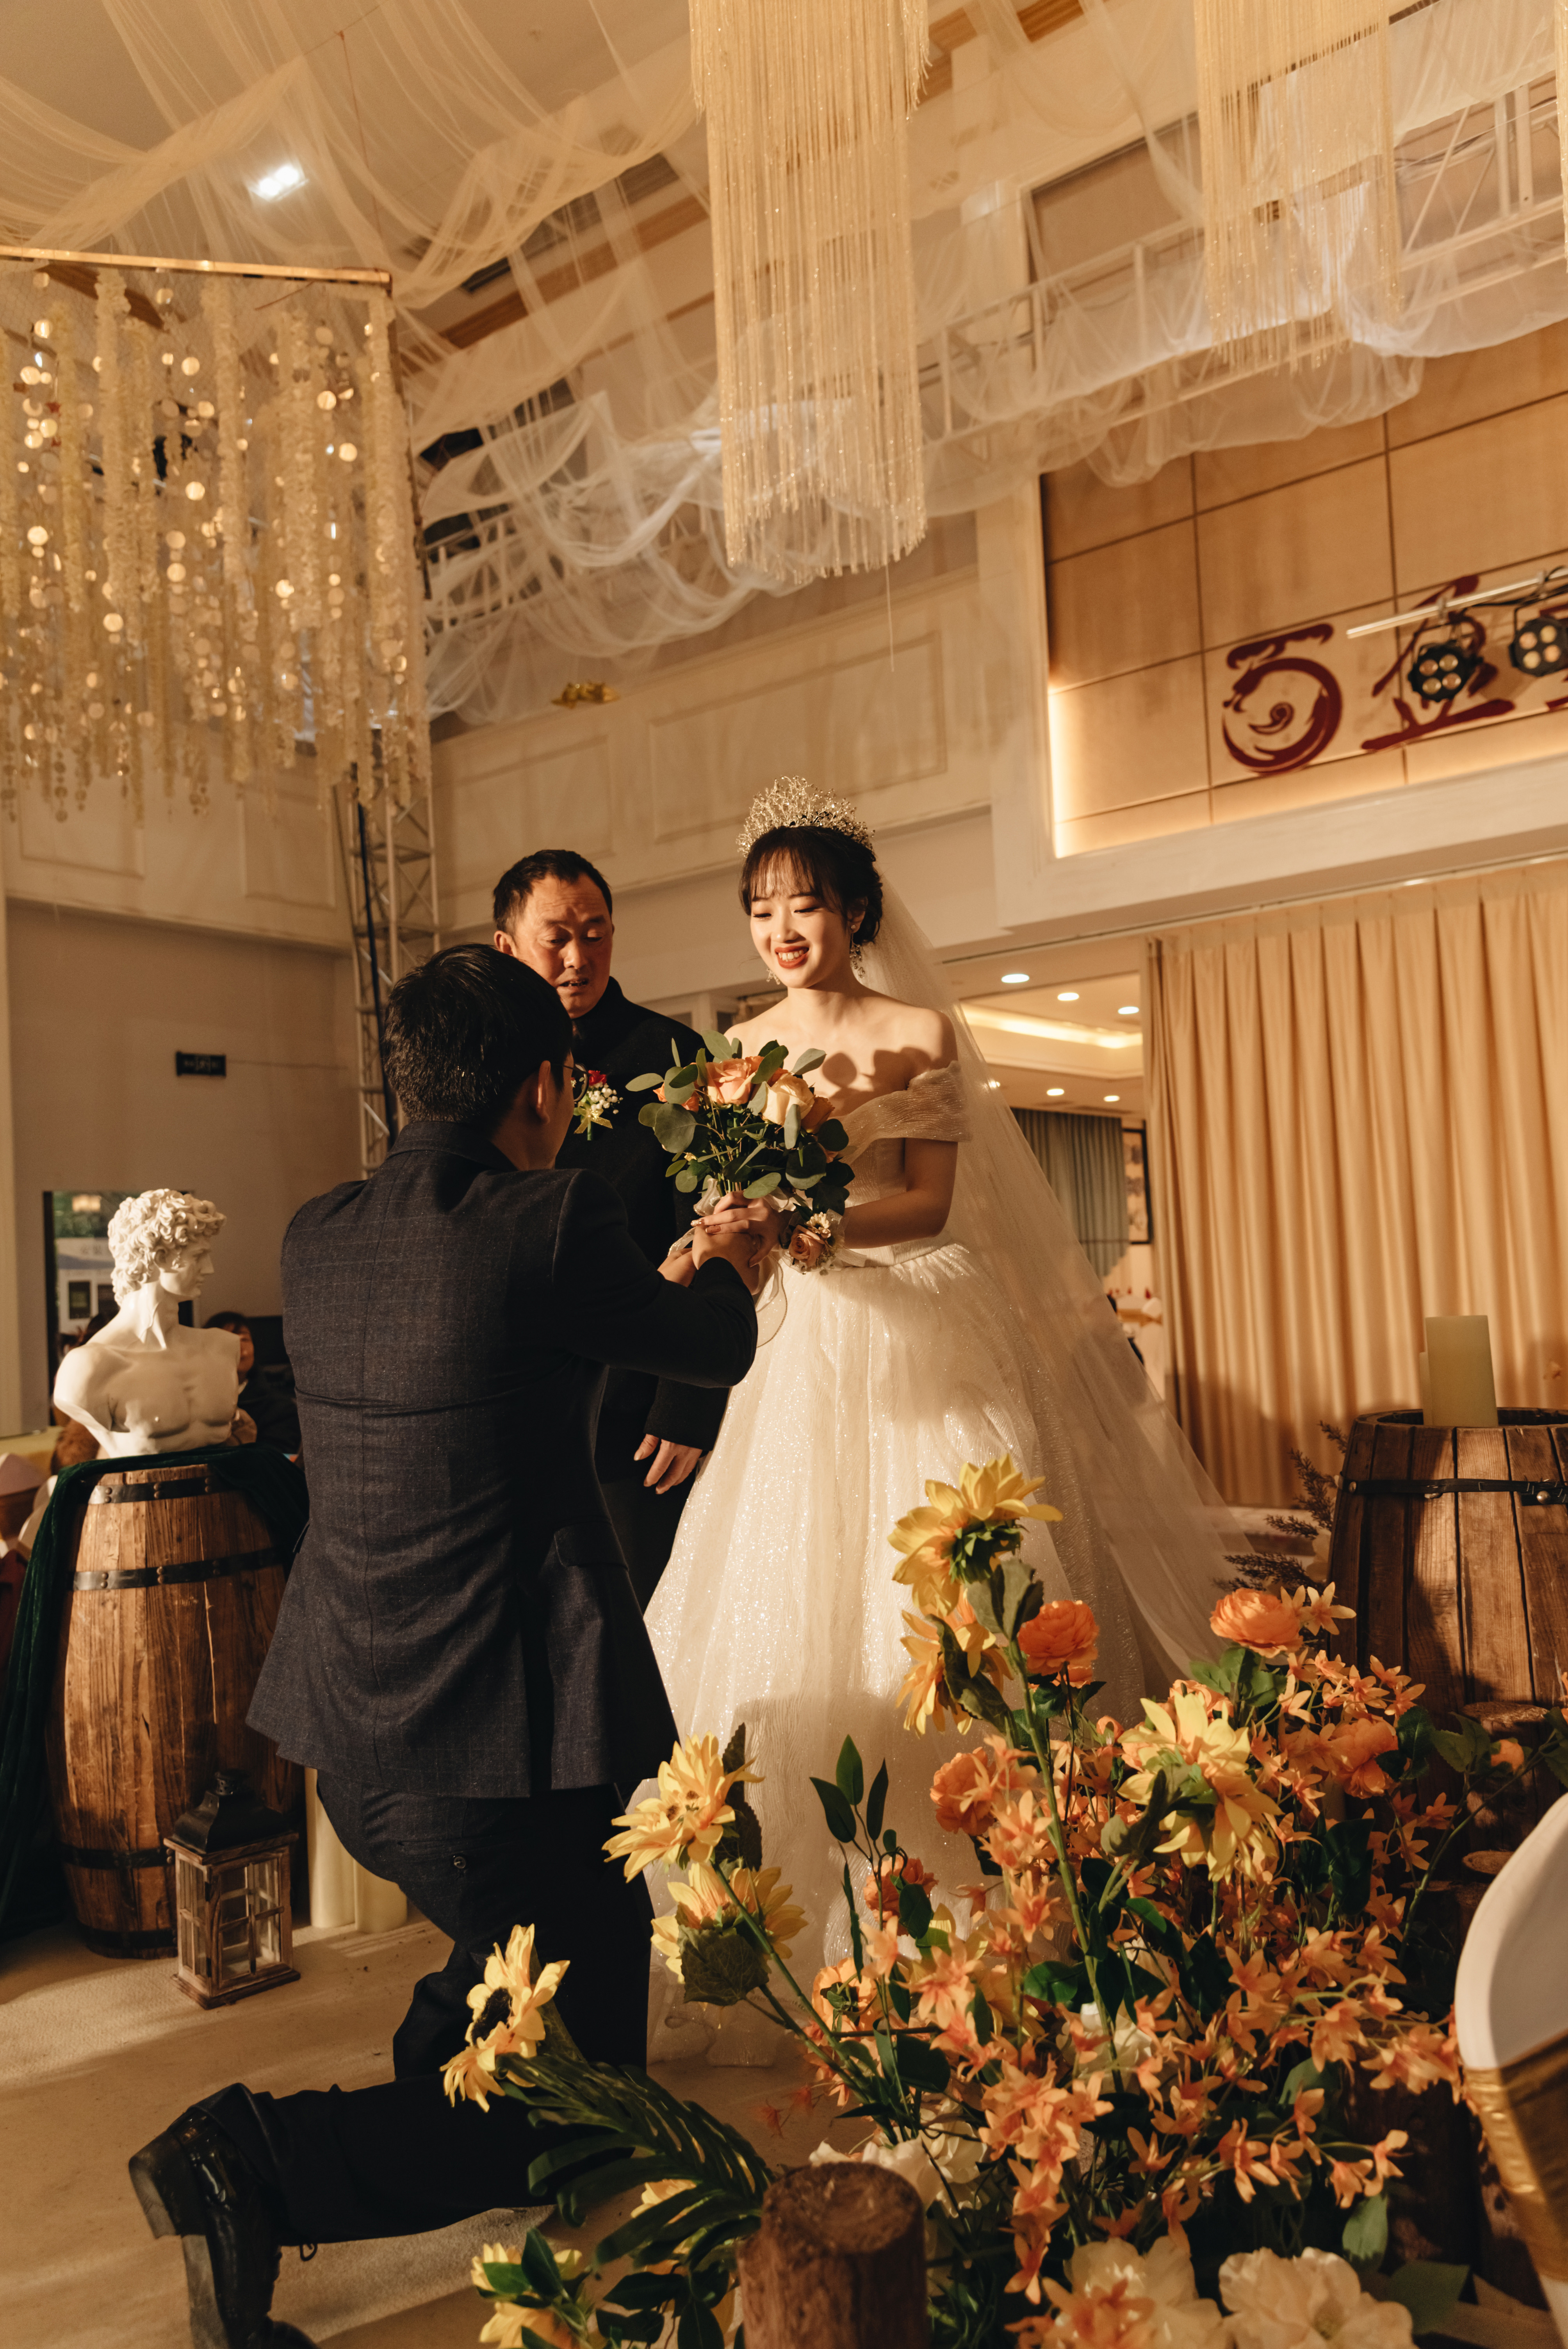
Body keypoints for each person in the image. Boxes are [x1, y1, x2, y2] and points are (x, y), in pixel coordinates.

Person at [128, 945, 761, 2348]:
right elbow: (708, 1348)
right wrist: (735, 1263)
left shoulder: (320, 1231)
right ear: (545, 1085)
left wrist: (648, 1278)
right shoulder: (555, 1214)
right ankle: (252, 2162)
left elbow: (489, 1355)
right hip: (498, 1743)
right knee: (579, 2099)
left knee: (539, 1947)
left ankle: (458, 2085)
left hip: (357, 1738)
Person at [642, 778, 1237, 2059]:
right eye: (761, 908)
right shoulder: (738, 1049)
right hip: (801, 1346)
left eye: (806, 903)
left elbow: (927, 1199)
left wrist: (812, 1223)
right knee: (787, 1577)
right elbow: (732, 1195)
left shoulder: (914, 1029)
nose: (782, 928)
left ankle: (989, 1917)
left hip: (912, 1313)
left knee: (948, 1598)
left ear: (856, 911)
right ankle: (792, 1931)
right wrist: (730, 1228)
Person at [494, 848, 723, 1606]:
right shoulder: (485, 1064)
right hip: (515, 1411)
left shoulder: (674, 1058)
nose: (577, 957)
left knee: (643, 1629)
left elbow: (708, 1231)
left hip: (638, 1419)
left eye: (595, 934)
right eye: (556, 937)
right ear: (507, 947)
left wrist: (688, 1398)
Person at [204, 1310, 303, 1453]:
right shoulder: (193, 1403)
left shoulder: (279, 1409)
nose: (238, 1347)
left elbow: (276, 1460)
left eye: (244, 1339)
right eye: (226, 1339)